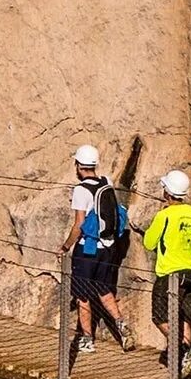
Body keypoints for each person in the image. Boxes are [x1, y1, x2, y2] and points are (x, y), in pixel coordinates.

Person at [142, 169, 191, 379]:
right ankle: (183, 365)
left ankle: (184, 350)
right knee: (183, 318)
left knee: (159, 317)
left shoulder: (164, 215)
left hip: (169, 275)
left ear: (168, 192)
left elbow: (148, 242)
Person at [64, 145, 130, 354]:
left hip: (88, 248)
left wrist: (66, 246)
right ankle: (121, 325)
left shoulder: (81, 190)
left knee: (83, 294)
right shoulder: (106, 182)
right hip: (108, 247)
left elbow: (79, 225)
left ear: (78, 166)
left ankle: (87, 339)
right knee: (104, 289)